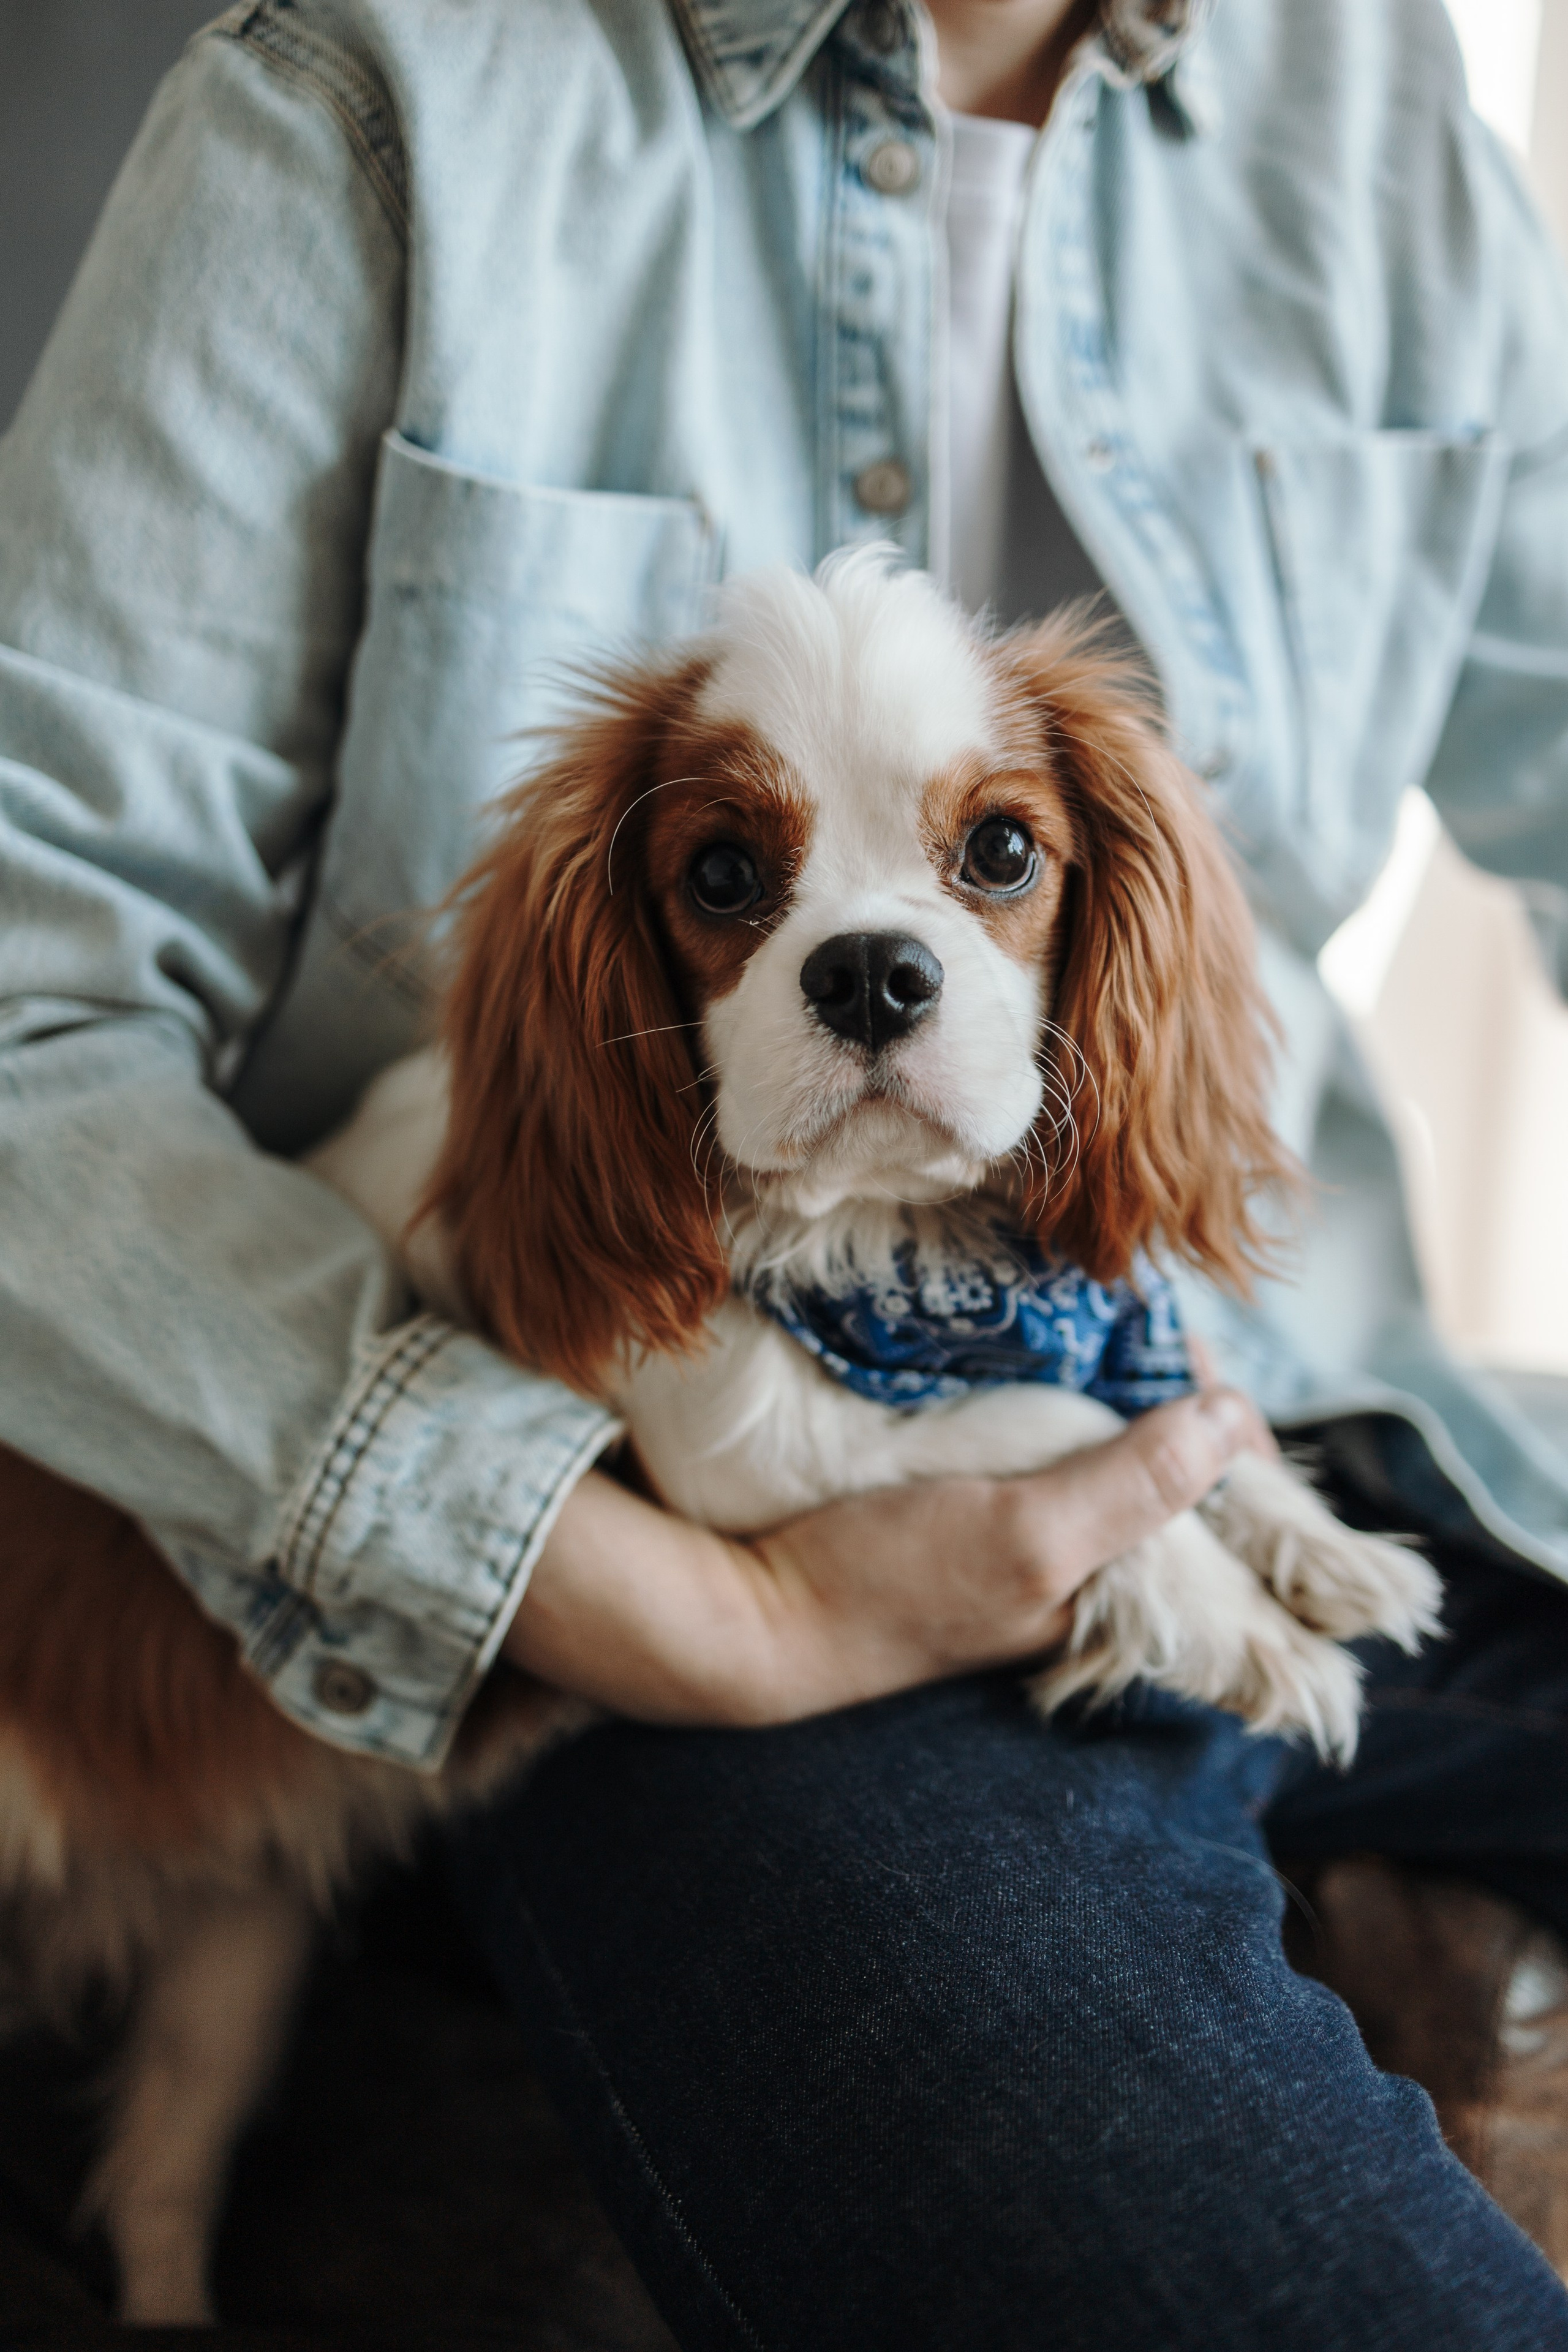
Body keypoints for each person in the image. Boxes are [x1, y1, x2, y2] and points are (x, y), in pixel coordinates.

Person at [2, 0, 1568, 2341]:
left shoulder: (1373, 103)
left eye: (995, 857)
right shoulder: (376, 87)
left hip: (1251, 1379)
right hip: (623, 1519)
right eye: (735, 881)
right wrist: (690, 1612)